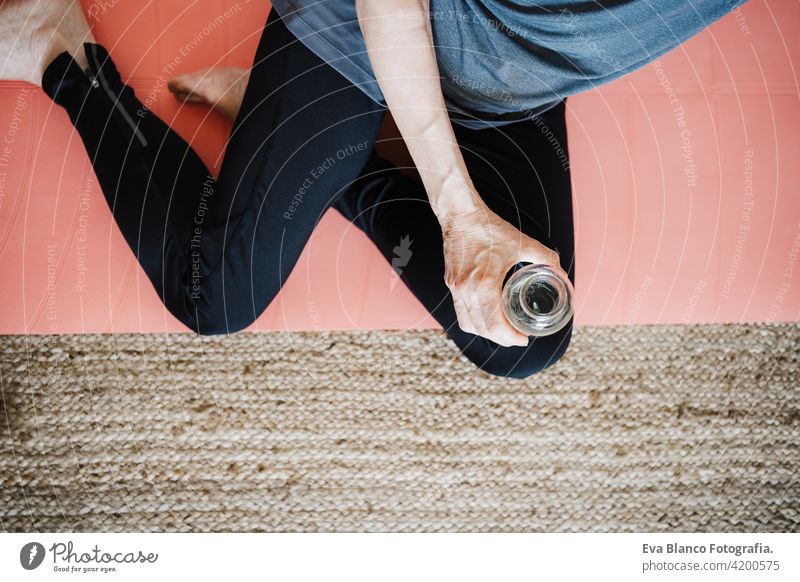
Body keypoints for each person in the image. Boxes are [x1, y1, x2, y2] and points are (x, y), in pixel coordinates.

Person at [0, 0, 743, 378]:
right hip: (375, 24)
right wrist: (458, 214)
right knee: (213, 294)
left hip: (517, 81)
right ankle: (64, 54)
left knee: (527, 340)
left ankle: (333, 159)